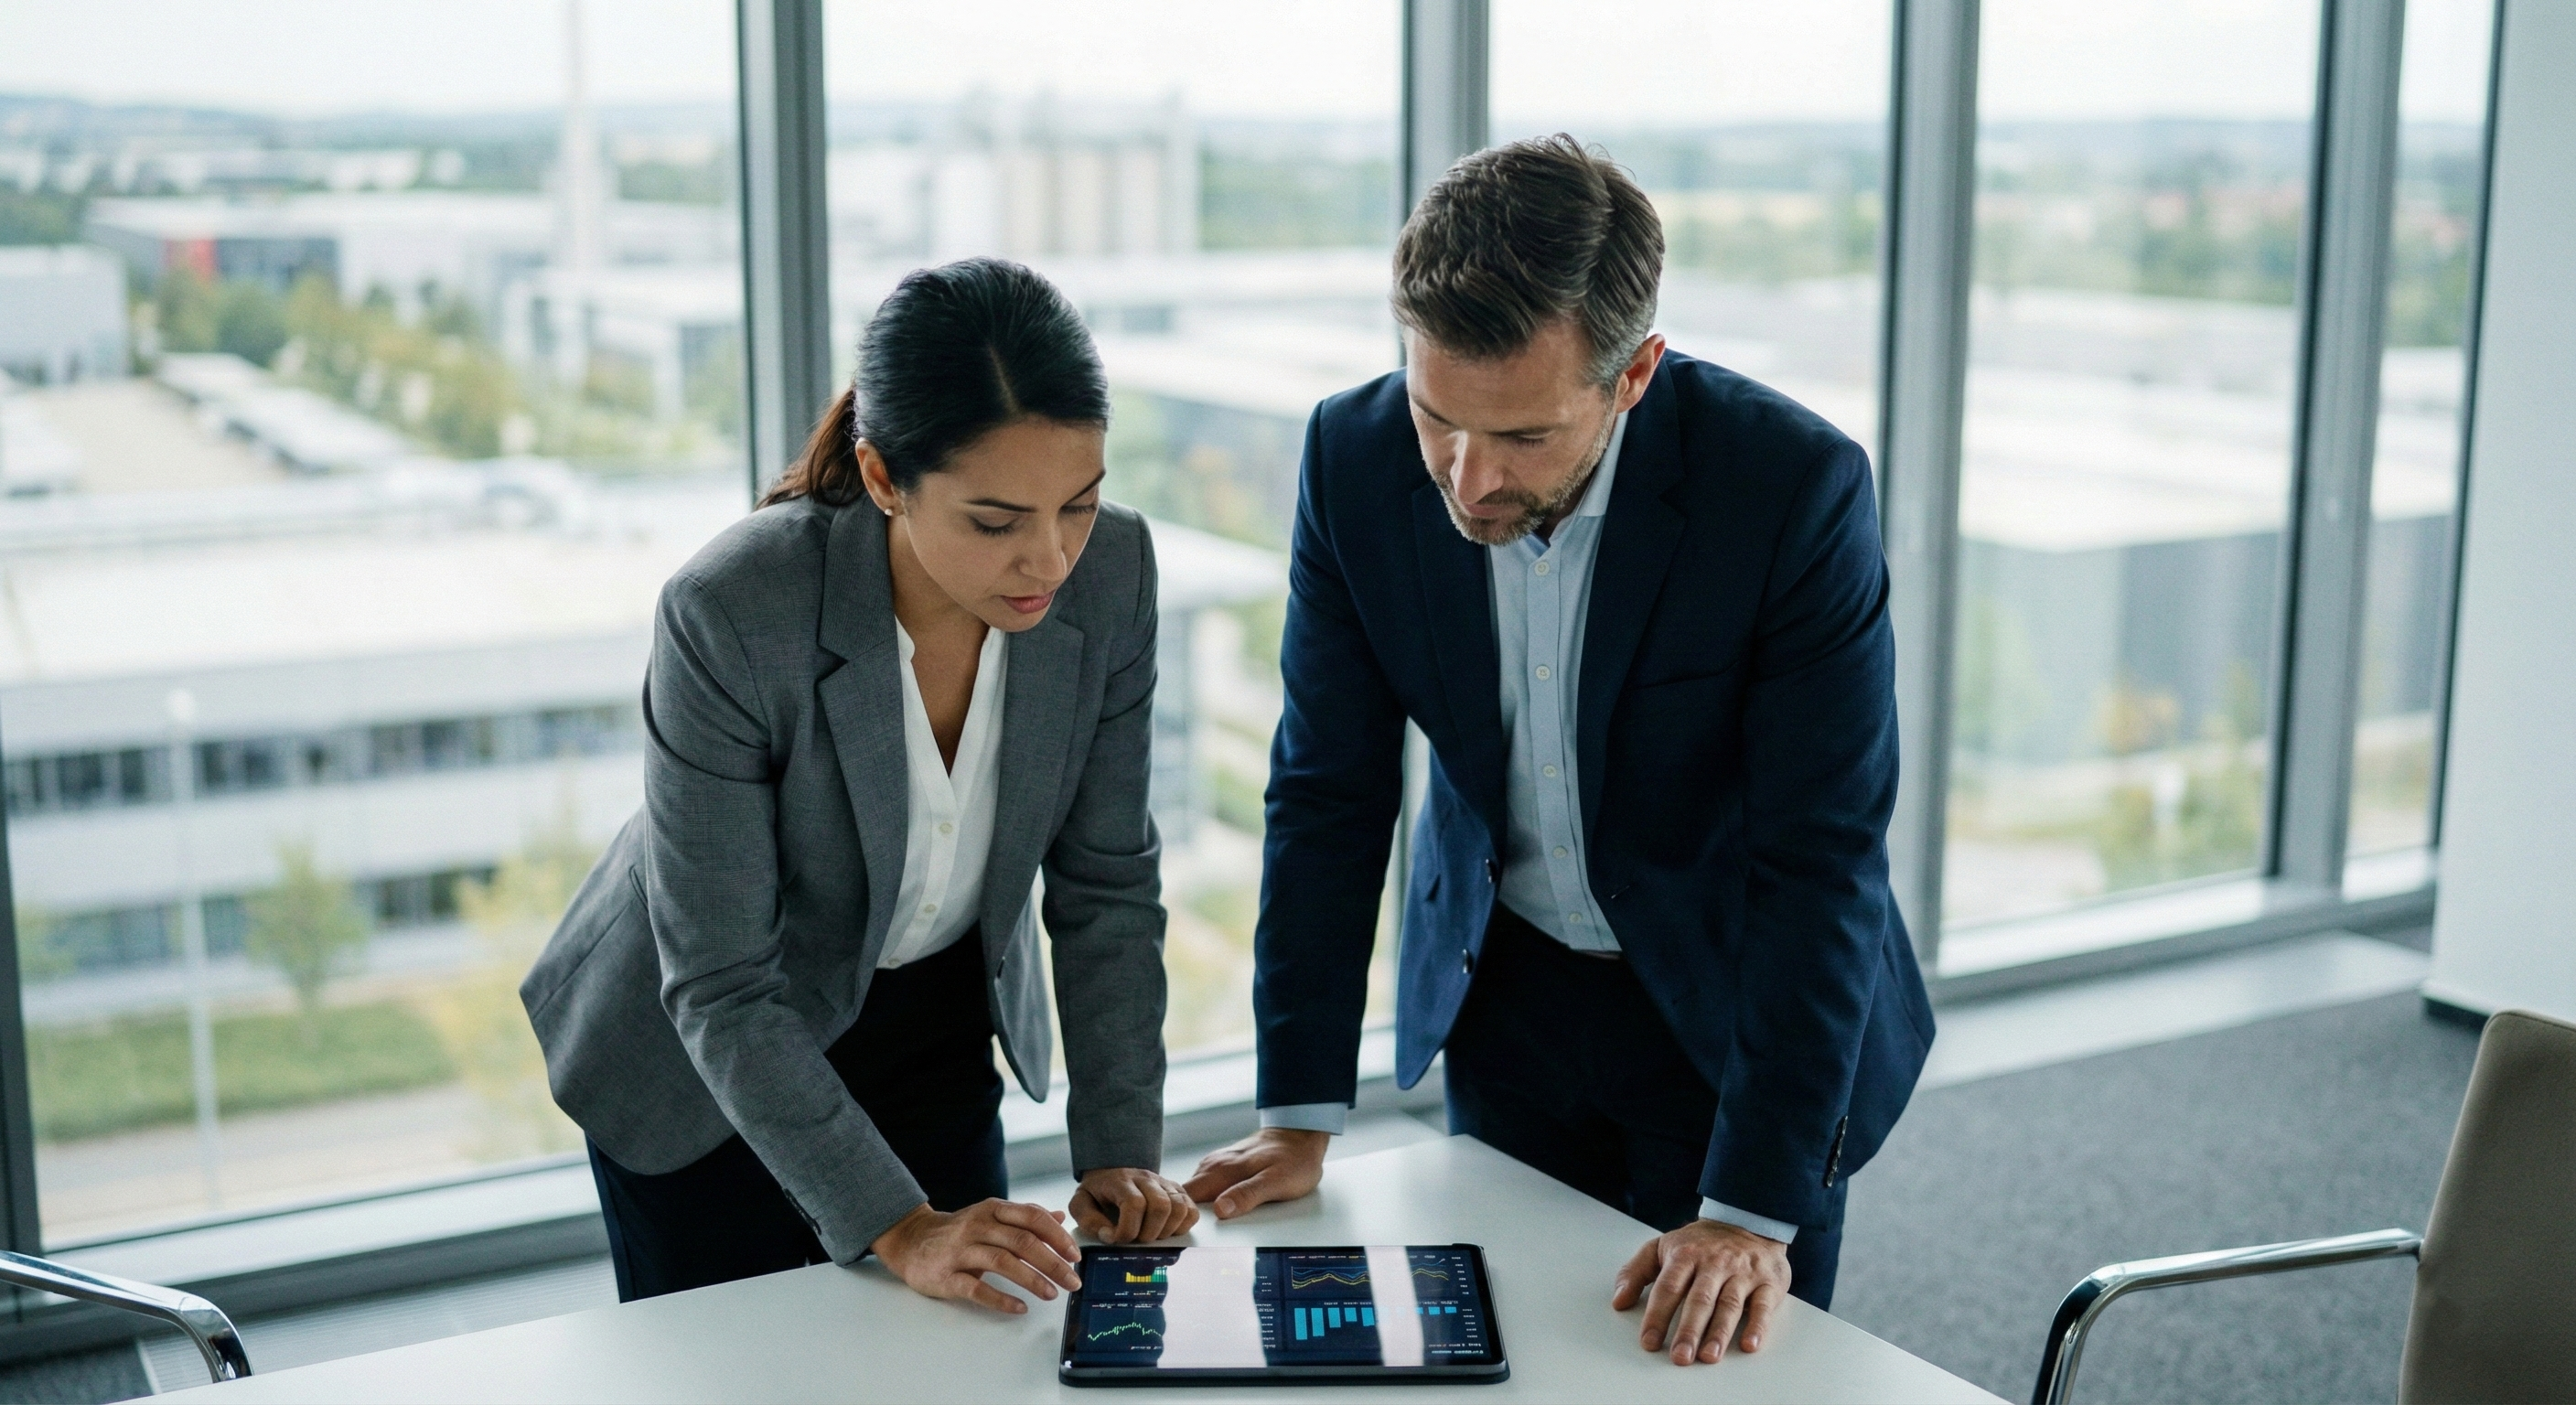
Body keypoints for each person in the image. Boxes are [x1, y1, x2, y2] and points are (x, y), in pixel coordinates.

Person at [1184, 136, 1934, 1367]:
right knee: (1508, 1363)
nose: (1467, 483)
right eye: (1440, 418)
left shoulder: (1790, 489)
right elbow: (1328, 790)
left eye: (1523, 438)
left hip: (1732, 1017)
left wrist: (1749, 1212)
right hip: (1510, 1002)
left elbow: (1821, 859)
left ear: (1634, 372)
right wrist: (1302, 1107)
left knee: (1722, 1381)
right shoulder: (1355, 458)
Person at [522, 257, 1194, 1313]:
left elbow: (1106, 886)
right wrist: (901, 1225)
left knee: (963, 1348)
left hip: (932, 1017)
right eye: (994, 520)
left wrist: (1118, 1156)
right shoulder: (733, 610)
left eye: (1079, 503)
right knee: (741, 1378)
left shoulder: (1114, 574)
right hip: (709, 1058)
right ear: (883, 480)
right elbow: (721, 984)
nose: (1049, 559)